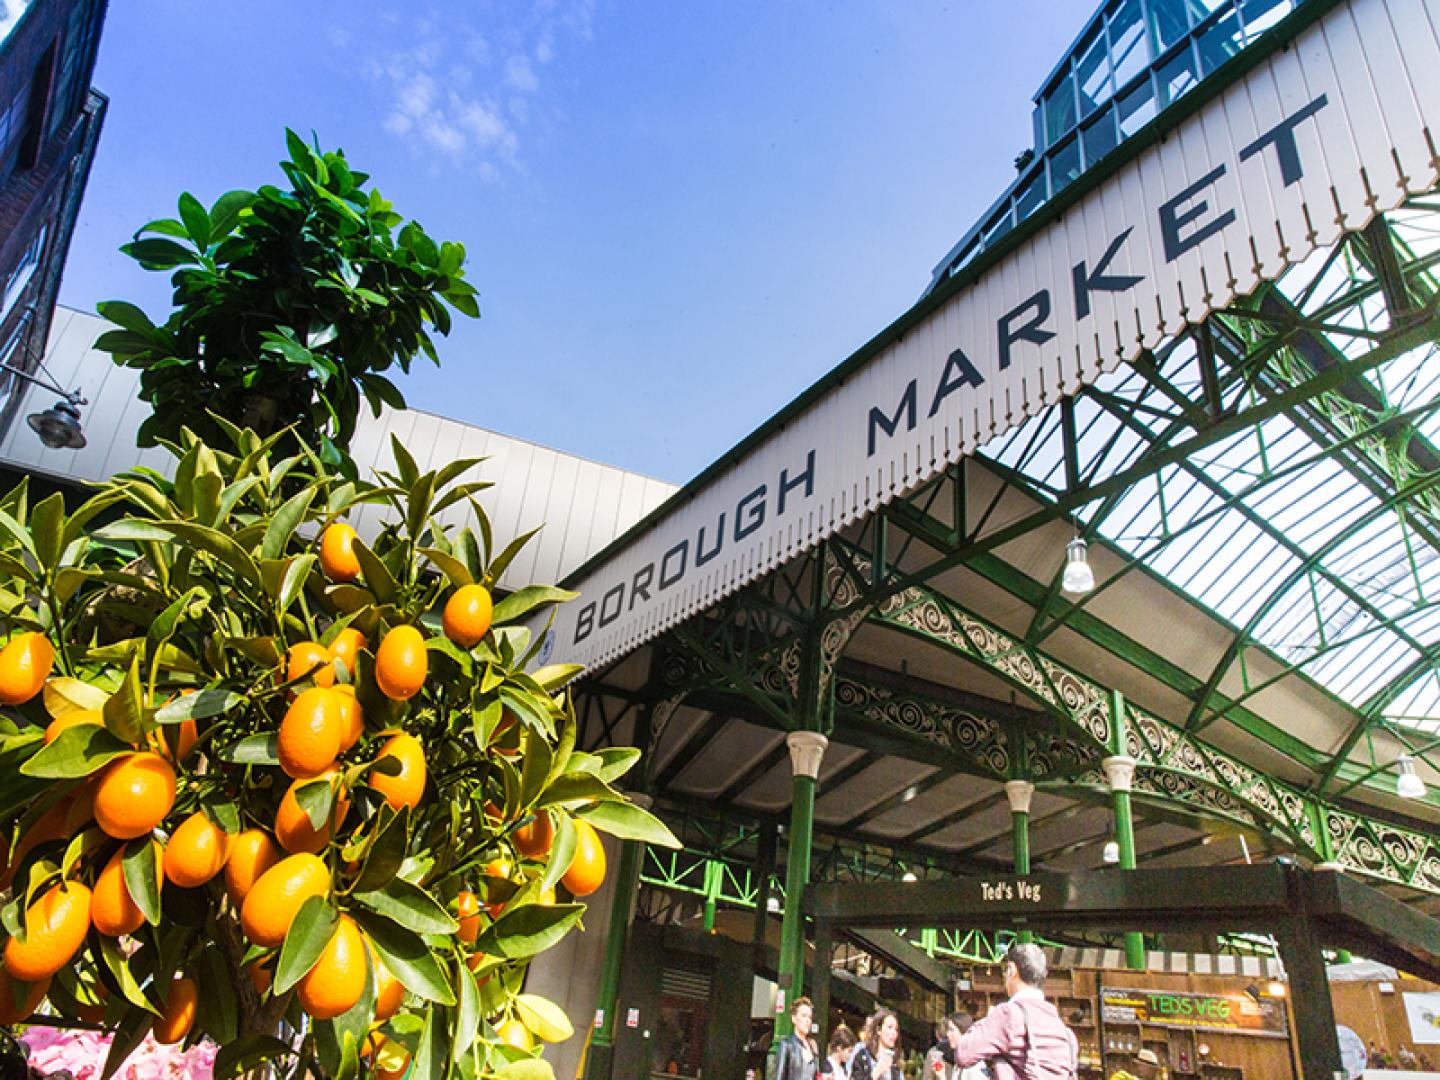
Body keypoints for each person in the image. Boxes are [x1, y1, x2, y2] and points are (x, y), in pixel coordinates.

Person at [953, 943, 1078, 1080]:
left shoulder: (1008, 1015)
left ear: (1012, 970)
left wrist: (989, 1019)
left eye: (1005, 970)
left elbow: (963, 1053)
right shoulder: (1059, 1025)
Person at [774, 996, 822, 1080]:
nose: (807, 1020)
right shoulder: (787, 1045)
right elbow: (779, 1076)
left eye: (810, 1017)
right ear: (794, 1018)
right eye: (803, 1016)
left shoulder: (813, 1047)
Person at [849, 1008, 903, 1080]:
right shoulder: (863, 1056)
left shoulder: (895, 1066)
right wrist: (877, 1071)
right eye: (889, 1027)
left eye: (896, 1029)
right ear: (878, 1030)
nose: (894, 1033)